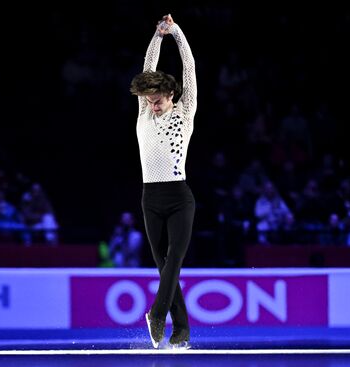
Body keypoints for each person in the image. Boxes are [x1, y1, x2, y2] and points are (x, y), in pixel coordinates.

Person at [129, 14, 197, 349]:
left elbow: (190, 66)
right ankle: (181, 330)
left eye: (157, 99)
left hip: (180, 196)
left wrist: (177, 33)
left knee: (175, 259)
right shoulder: (144, 111)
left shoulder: (185, 113)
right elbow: (147, 67)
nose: (152, 105)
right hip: (150, 199)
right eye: (148, 99)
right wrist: (158, 35)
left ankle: (157, 315)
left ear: (171, 94)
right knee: (163, 265)